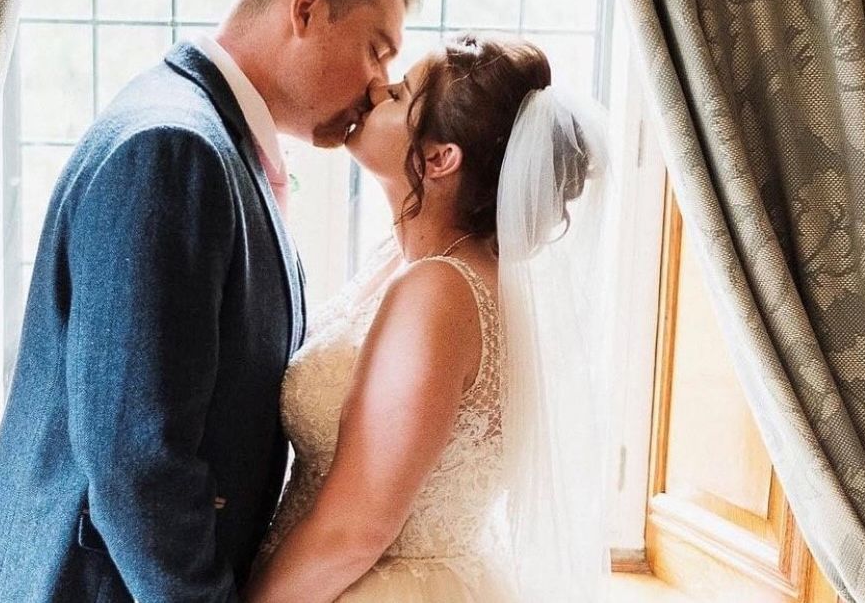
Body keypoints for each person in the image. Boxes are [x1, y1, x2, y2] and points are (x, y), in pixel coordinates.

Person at [0, 0, 416, 601]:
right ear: (305, 9)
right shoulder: (173, 147)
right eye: (378, 47)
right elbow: (140, 461)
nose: (379, 85)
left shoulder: (216, 145)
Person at [246, 35, 617, 602]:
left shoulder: (439, 291)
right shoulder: (414, 264)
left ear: (440, 157)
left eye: (397, 95)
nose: (375, 90)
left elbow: (357, 530)